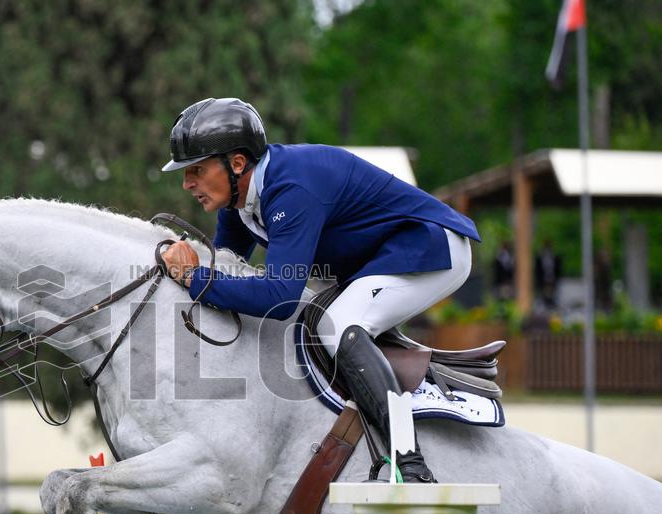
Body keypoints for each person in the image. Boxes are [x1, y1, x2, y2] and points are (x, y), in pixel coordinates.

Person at [160, 98, 480, 483]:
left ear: (238, 164)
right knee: (325, 322)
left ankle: (410, 464)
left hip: (432, 246)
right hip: (385, 256)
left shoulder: (290, 188)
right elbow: (226, 265)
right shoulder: (239, 200)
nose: (186, 183)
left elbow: (278, 298)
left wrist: (193, 277)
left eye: (196, 170)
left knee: (335, 325)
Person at [535, 240, 561, 311]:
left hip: (551, 280)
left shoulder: (554, 259)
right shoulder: (540, 259)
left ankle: (551, 307)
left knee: (551, 296)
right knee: (544, 297)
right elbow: (538, 272)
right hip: (543, 281)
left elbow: (557, 271)